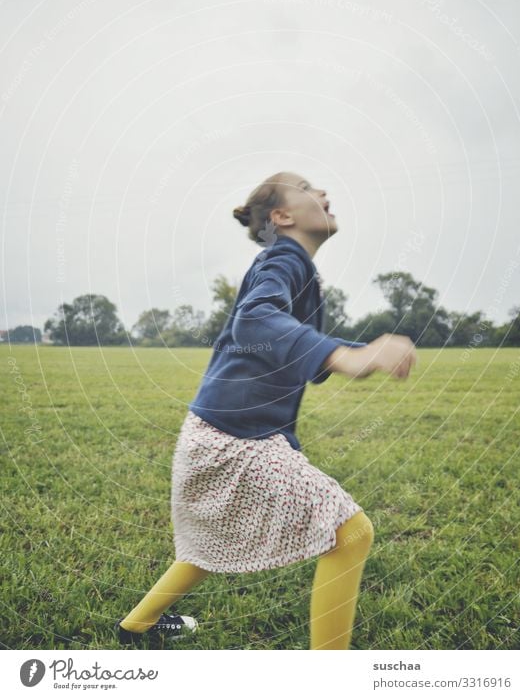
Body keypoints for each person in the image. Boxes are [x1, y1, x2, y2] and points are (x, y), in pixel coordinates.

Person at [115, 171, 417, 650]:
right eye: (308, 188)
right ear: (282, 216)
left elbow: (292, 352)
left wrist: (360, 349)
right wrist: (344, 356)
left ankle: (136, 626)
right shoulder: (282, 259)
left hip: (224, 430)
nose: (323, 192)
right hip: (232, 436)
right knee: (352, 533)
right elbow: (255, 320)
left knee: (209, 541)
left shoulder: (297, 268)